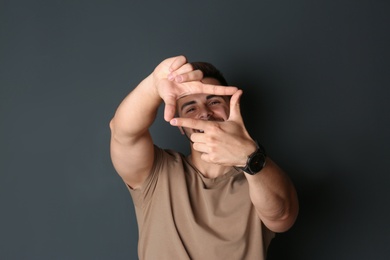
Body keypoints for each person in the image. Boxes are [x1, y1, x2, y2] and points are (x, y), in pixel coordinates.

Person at [109, 55, 299, 259]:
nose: (205, 113)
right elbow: (123, 133)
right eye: (191, 108)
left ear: (233, 111)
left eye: (214, 101)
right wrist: (153, 86)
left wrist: (250, 157)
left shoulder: (261, 176)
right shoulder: (157, 171)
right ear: (181, 126)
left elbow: (282, 218)